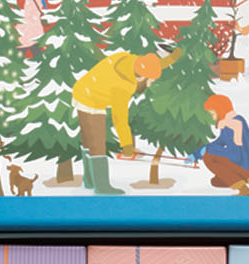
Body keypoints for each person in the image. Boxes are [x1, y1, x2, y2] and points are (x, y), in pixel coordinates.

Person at [71, 49, 180, 194]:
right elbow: (119, 118)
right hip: (91, 100)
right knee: (96, 142)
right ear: (140, 78)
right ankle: (101, 187)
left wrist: (173, 57)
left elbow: (154, 64)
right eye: (150, 81)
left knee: (88, 140)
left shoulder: (132, 61)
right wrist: (127, 145)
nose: (150, 85)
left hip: (84, 89)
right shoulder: (121, 87)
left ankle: (89, 180)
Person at [196, 94, 249, 195]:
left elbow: (235, 156)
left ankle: (243, 188)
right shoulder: (227, 123)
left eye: (212, 114)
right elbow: (220, 141)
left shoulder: (235, 125)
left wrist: (208, 151)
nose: (212, 117)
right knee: (216, 181)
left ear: (219, 110)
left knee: (208, 157)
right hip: (246, 163)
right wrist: (199, 152)